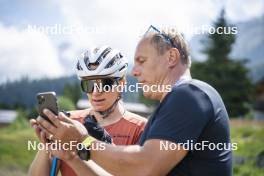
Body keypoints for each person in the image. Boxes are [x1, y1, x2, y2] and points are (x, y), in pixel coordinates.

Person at [36, 25, 233, 176]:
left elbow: (144, 166)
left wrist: (82, 141)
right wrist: (71, 155)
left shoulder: (188, 94)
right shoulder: (180, 101)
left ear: (171, 57)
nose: (134, 71)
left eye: (142, 61)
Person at [28, 46, 147, 176]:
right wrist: (47, 146)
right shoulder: (69, 123)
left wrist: (94, 145)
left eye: (104, 84)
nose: (96, 92)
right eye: (88, 85)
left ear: (122, 83)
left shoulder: (140, 128)